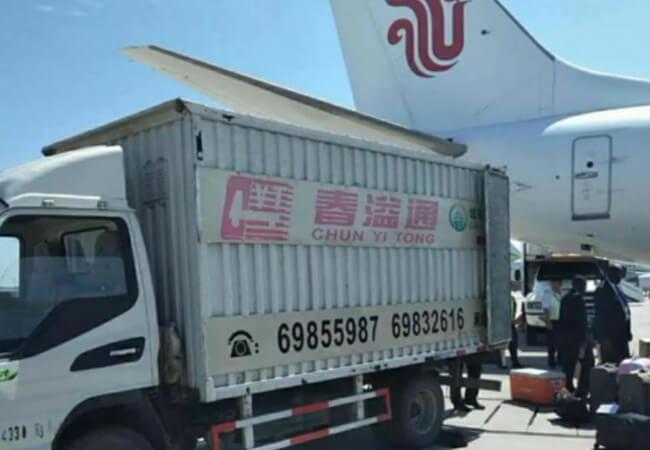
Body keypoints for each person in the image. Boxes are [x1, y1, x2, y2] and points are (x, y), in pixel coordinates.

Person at [558, 276, 593, 397]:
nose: (585, 288)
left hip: (566, 337)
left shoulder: (565, 298)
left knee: (568, 365)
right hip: (578, 338)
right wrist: (586, 338)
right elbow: (582, 321)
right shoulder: (578, 299)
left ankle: (568, 387)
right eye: (584, 285)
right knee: (587, 363)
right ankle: (583, 389)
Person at [594, 267, 632, 364]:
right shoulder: (602, 290)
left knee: (624, 363)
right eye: (618, 275)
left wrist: (628, 331)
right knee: (612, 364)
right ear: (611, 275)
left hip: (621, 334)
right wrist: (603, 338)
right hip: (610, 338)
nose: (620, 278)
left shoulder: (617, 288)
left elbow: (625, 310)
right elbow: (600, 317)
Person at [541, 278, 563, 368]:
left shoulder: (562, 294)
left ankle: (560, 359)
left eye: (556, 283)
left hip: (561, 321)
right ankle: (551, 360)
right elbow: (546, 309)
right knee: (552, 342)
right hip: (552, 320)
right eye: (553, 283)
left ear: (560, 284)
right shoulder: (548, 295)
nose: (554, 285)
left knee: (561, 341)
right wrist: (548, 322)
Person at [509, 294, 523, 368]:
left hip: (511, 323)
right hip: (505, 323)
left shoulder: (512, 298)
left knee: (514, 343)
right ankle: (502, 362)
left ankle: (515, 361)